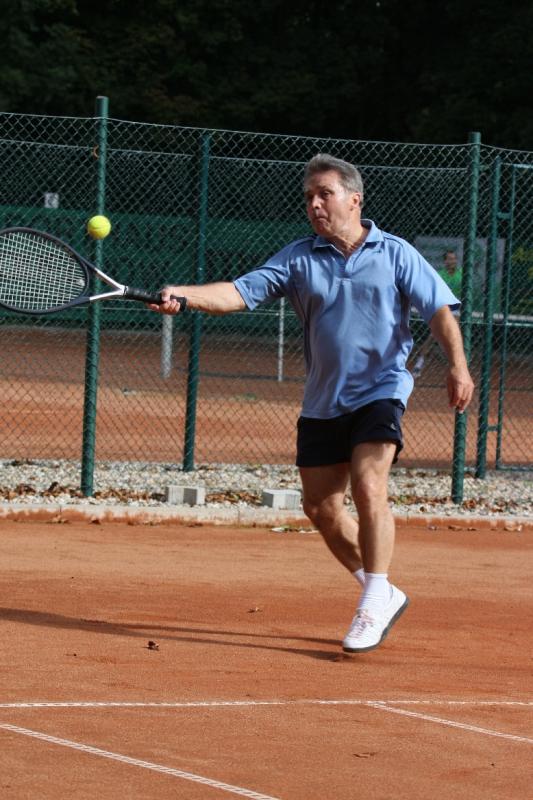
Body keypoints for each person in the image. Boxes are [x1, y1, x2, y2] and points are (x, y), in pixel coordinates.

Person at [149, 154, 474, 654]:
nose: (315, 204)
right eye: (308, 197)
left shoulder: (395, 253)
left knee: (369, 484)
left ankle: (371, 602)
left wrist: (458, 366)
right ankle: (381, 589)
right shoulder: (298, 258)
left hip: (382, 389)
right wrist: (184, 295)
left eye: (325, 194)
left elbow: (439, 311)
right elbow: (238, 293)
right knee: (321, 507)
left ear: (354, 199)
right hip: (324, 400)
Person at [412, 249, 462, 378]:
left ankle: (456, 366)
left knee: (453, 335)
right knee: (433, 336)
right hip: (442, 308)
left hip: (455, 309)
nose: (452, 261)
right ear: (445, 261)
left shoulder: (462, 274)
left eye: (454, 259)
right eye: (449, 259)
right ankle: (419, 363)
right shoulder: (439, 275)